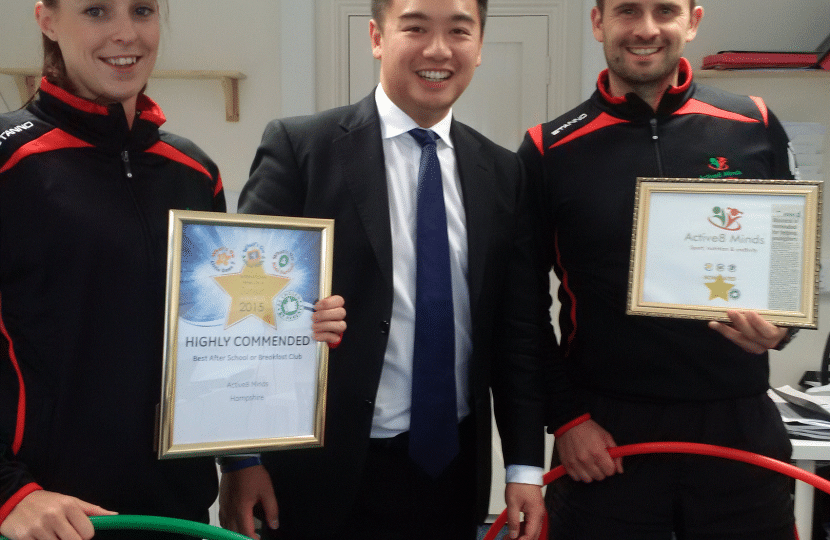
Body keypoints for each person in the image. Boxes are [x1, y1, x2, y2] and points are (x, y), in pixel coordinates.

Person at [0, 2, 346, 540]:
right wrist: (8, 492)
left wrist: (241, 457)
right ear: (47, 20)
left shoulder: (194, 172)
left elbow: (211, 341)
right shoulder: (10, 162)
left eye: (142, 10)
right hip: (43, 518)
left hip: (176, 514)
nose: (125, 33)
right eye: (96, 11)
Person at [218, 0, 547, 539]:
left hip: (452, 472)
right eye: (415, 27)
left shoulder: (502, 171)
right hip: (320, 473)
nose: (438, 50)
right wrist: (241, 459)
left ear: (479, 46)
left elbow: (519, 331)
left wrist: (525, 467)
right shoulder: (302, 150)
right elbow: (244, 314)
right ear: (377, 37)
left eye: (458, 31)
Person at [518, 0, 800, 538]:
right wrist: (567, 418)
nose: (646, 29)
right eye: (627, 10)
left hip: (737, 423)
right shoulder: (548, 149)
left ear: (692, 21)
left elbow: (789, 256)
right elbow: (520, 308)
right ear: (598, 22)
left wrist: (784, 326)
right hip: (604, 434)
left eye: (665, 10)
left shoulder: (754, 123)